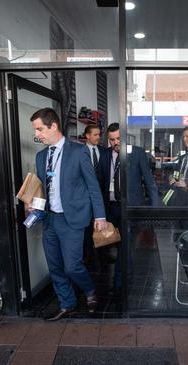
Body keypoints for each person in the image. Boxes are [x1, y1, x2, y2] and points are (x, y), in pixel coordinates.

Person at [30, 108, 107, 321]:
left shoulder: (78, 151)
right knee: (54, 266)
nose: (37, 134)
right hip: (50, 219)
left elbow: (93, 186)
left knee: (72, 266)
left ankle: (90, 290)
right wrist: (34, 206)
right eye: (36, 130)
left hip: (72, 218)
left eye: (40, 129)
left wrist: (100, 216)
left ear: (53, 125)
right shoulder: (41, 156)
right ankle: (67, 304)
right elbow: (41, 188)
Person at [98, 123, 160, 293]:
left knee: (125, 246)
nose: (115, 143)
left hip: (130, 208)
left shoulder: (137, 153)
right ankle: (124, 276)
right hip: (111, 209)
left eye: (118, 139)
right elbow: (100, 184)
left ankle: (120, 282)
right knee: (117, 246)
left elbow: (149, 181)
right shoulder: (104, 155)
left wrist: (156, 210)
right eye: (112, 140)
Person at [82, 124, 112, 266]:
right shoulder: (80, 152)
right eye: (95, 134)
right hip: (85, 196)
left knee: (102, 224)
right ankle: (89, 255)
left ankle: (103, 253)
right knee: (88, 226)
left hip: (102, 196)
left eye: (99, 134)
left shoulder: (103, 151)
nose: (98, 137)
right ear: (87, 136)